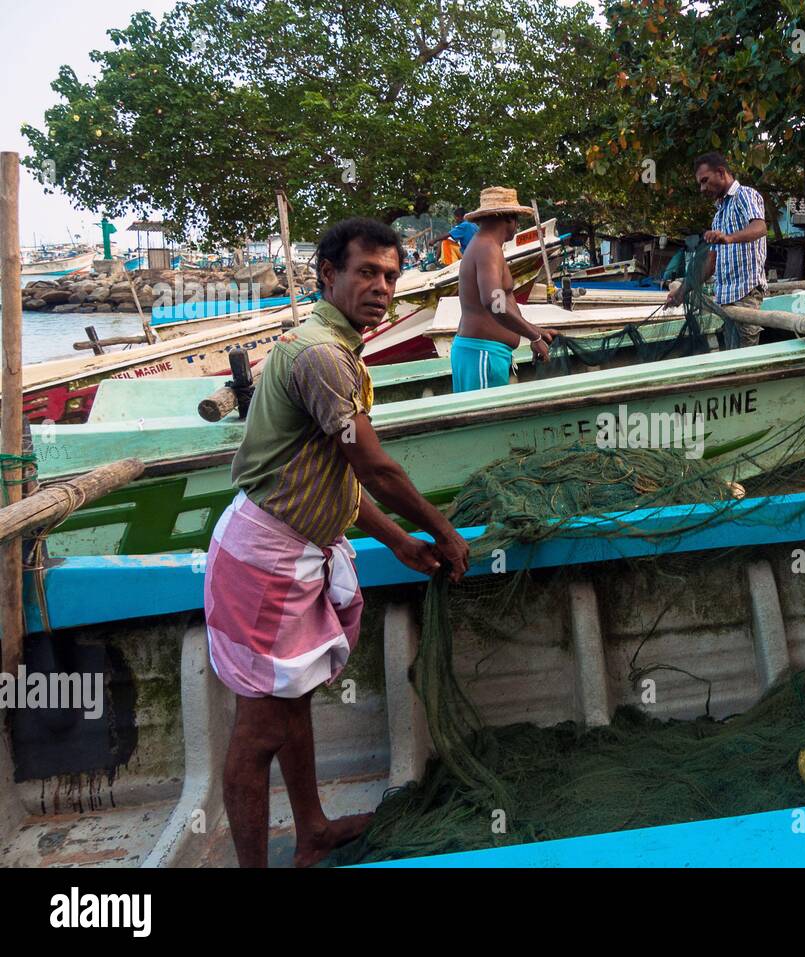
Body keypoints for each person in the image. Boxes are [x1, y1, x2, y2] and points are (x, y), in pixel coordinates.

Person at [204, 216, 470, 867]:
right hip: (265, 562)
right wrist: (440, 528)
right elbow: (374, 467)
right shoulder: (323, 357)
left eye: (389, 274)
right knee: (260, 727)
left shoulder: (334, 347)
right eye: (366, 272)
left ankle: (314, 828)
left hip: (293, 549)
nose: (380, 285)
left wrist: (399, 541)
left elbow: (337, 475)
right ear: (328, 275)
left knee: (291, 702)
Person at [450, 187, 557, 392]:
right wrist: (533, 338)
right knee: (484, 421)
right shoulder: (487, 248)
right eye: (517, 220)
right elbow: (493, 301)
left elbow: (502, 300)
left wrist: (537, 331)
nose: (517, 226)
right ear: (509, 219)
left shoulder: (487, 246)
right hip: (482, 354)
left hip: (488, 354)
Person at [666, 152, 767, 348]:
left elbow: (760, 227)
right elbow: (709, 264)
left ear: (721, 173)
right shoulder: (719, 215)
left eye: (705, 180)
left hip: (746, 295)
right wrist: (681, 292)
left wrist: (728, 238)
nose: (703, 188)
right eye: (700, 184)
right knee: (731, 356)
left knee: (744, 360)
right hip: (727, 300)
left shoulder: (744, 195)